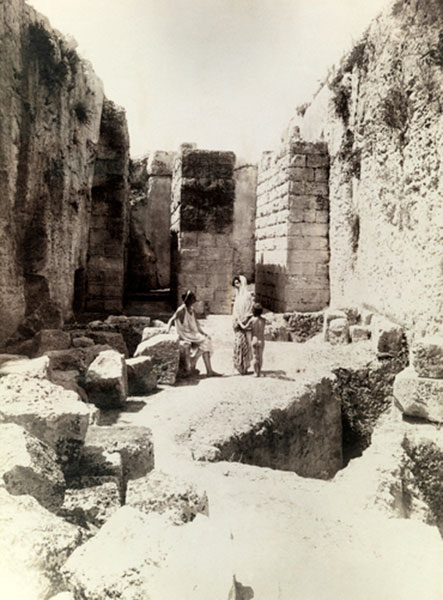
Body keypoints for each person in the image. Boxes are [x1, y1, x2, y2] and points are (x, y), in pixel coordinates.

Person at [167, 290, 221, 377]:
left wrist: (203, 333)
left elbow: (196, 324)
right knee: (206, 342)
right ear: (187, 299)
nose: (194, 301)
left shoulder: (191, 309)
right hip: (185, 333)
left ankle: (209, 371)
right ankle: (194, 360)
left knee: (207, 341)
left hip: (192, 333)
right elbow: (171, 319)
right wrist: (167, 331)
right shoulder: (181, 310)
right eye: (192, 299)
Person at [232, 275, 254, 374]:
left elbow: (249, 310)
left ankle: (246, 366)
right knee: (239, 344)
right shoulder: (238, 296)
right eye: (235, 283)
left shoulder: (247, 295)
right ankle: (239, 366)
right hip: (239, 323)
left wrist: (244, 321)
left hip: (246, 323)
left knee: (247, 344)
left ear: (242, 283)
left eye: (238, 283)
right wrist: (238, 322)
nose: (236, 285)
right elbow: (235, 311)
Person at [242, 303, 266, 377]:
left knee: (255, 356)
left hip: (255, 339)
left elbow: (244, 327)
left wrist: (239, 322)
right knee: (261, 356)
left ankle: (256, 372)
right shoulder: (264, 320)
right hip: (261, 340)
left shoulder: (252, 320)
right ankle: (259, 371)